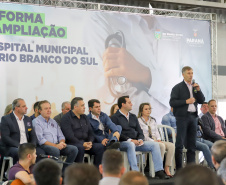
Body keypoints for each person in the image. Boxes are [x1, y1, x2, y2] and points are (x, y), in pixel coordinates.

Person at [111, 96, 168, 179]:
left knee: (155, 145)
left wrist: (140, 139)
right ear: (123, 104)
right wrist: (130, 140)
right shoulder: (115, 117)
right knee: (130, 144)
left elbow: (140, 131)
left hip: (137, 142)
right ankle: (135, 172)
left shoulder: (133, 116)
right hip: (123, 142)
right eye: (129, 102)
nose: (131, 104)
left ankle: (159, 171)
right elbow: (117, 133)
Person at [170, 66, 205, 169]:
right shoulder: (177, 87)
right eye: (189, 73)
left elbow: (202, 100)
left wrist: (198, 90)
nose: (191, 75)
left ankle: (191, 170)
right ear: (183, 74)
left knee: (192, 145)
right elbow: (172, 102)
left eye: (192, 73)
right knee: (180, 144)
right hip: (182, 117)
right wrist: (186, 101)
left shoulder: (195, 87)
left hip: (193, 117)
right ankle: (180, 170)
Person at [32, 100, 78, 172]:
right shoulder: (36, 121)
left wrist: (61, 143)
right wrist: (55, 146)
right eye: (46, 108)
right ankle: (53, 173)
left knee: (74, 149)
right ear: (40, 111)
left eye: (49, 108)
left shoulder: (53, 121)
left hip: (56, 145)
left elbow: (61, 136)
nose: (49, 110)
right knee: (55, 150)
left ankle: (64, 173)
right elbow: (41, 140)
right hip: (44, 145)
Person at [61, 97, 105, 167]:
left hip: (86, 143)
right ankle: (79, 173)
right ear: (75, 107)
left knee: (100, 147)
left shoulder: (84, 117)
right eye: (82, 106)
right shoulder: (66, 118)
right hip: (73, 143)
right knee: (80, 147)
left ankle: (96, 173)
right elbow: (69, 136)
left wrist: (90, 142)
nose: (84, 107)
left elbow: (91, 132)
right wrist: (82, 143)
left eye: (84, 105)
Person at [0, 98, 44, 164]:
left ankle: (33, 172)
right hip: (11, 147)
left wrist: (31, 146)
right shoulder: (6, 119)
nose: (26, 108)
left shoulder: (28, 119)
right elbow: (5, 138)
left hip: (26, 147)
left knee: (40, 152)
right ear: (16, 108)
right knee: (20, 153)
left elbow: (33, 135)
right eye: (23, 106)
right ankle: (19, 173)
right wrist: (20, 146)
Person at [138, 103, 175, 177]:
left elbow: (156, 132)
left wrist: (158, 139)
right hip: (146, 140)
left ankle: (166, 167)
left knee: (171, 146)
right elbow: (142, 135)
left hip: (155, 139)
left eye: (149, 109)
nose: (148, 110)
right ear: (141, 111)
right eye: (146, 109)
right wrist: (153, 141)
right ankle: (158, 169)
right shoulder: (138, 121)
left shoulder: (152, 120)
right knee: (161, 145)